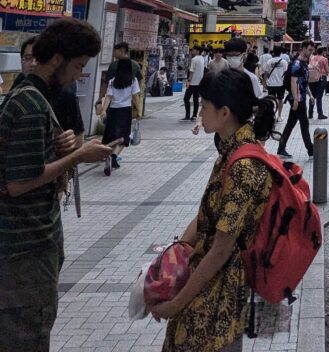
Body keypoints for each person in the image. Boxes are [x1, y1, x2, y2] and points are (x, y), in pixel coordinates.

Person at [0, 19, 111, 350]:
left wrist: (60, 150)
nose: (79, 74)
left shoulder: (28, 97)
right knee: (27, 336)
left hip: (24, 251)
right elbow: (19, 183)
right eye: (78, 65)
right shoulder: (31, 106)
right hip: (24, 255)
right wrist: (78, 156)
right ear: (58, 59)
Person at [155, 69, 275, 351]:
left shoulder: (244, 166)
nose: (200, 113)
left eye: (204, 106)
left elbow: (222, 249)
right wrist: (171, 261)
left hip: (219, 291)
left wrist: (176, 303)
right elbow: (206, 216)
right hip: (206, 277)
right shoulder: (231, 152)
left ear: (224, 112)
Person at [100, 57, 141, 175]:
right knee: (124, 137)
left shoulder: (112, 81)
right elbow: (135, 97)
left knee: (111, 136)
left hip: (113, 111)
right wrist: (139, 111)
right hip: (125, 111)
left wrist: (103, 110)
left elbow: (108, 97)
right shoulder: (133, 81)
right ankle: (113, 156)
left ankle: (109, 156)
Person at [276, 40, 314, 159]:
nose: (311, 52)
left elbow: (303, 82)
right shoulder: (297, 64)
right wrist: (296, 100)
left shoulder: (304, 63)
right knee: (304, 123)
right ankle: (311, 150)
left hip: (299, 97)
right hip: (297, 98)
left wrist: (310, 94)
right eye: (309, 50)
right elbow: (294, 82)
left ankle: (281, 147)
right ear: (303, 48)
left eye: (312, 50)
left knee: (291, 123)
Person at [265, 45, 290, 119]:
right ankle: (279, 115)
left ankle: (272, 115)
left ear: (273, 52)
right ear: (280, 52)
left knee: (271, 101)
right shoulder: (284, 62)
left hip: (271, 84)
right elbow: (286, 74)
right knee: (280, 100)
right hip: (281, 84)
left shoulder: (269, 61)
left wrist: (264, 84)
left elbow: (266, 74)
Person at [184, 46, 206, 121]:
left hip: (192, 82)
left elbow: (191, 71)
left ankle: (187, 115)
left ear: (197, 51)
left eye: (193, 50)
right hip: (199, 82)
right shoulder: (202, 58)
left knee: (186, 98)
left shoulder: (194, 59)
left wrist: (188, 80)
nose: (192, 51)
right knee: (195, 99)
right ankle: (194, 115)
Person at [308, 45, 329, 120]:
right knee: (319, 97)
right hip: (321, 78)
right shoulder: (324, 59)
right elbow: (327, 70)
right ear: (323, 52)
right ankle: (320, 114)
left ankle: (310, 114)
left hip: (311, 79)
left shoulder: (312, 57)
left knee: (312, 96)